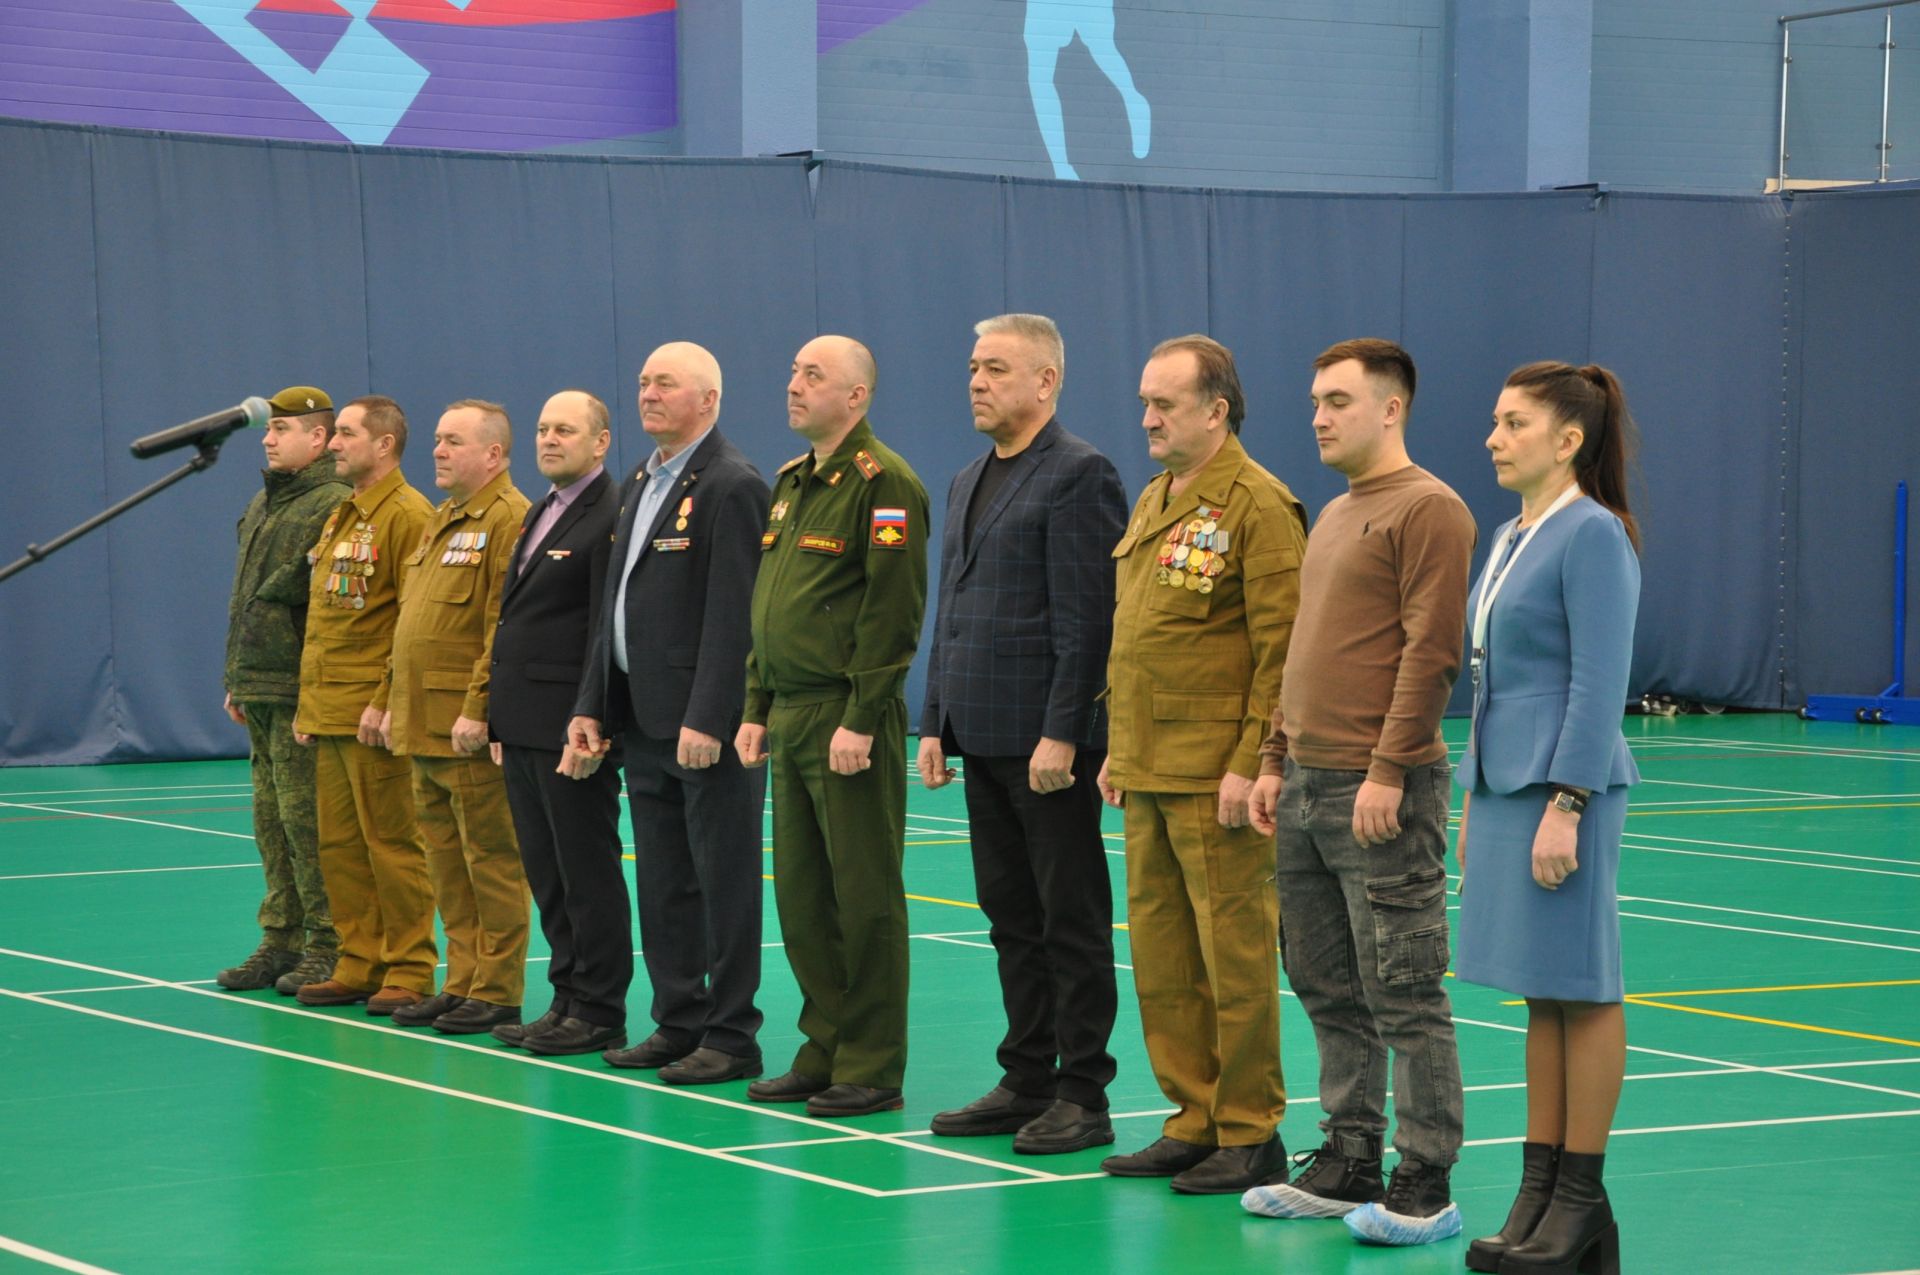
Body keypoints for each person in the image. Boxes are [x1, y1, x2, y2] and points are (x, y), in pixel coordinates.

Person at [1240, 340, 1477, 1245]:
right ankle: (1348, 1156)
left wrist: (1389, 766)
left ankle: (1427, 1175)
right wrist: (1273, 758)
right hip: (1304, 785)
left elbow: (1431, 652)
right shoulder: (1337, 513)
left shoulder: (1431, 510)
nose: (1318, 416)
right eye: (1313, 400)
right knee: (1323, 980)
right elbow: (1302, 650)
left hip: (1382, 791)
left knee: (1404, 989)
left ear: (1392, 409)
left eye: (1337, 399)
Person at [1096, 335, 1308, 1193]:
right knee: (1162, 958)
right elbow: (1143, 634)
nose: (1148, 417)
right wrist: (1118, 744)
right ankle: (1193, 1116)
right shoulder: (1156, 497)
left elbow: (1280, 649)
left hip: (1214, 776)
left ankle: (1251, 1128)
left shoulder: (1257, 504)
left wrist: (1255, 760)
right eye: (1145, 401)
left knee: (1235, 962)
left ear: (1217, 410)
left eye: (1166, 403)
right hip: (1147, 765)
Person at [918, 314, 1127, 1154]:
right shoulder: (971, 476)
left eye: (996, 368)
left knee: (1066, 915)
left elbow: (1088, 618)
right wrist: (933, 720)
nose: (976, 381)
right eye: (973, 366)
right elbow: (954, 608)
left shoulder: (1081, 474)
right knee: (1009, 913)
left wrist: (1066, 732)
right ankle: (1026, 1074)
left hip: (1045, 745)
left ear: (1046, 381)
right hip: (980, 731)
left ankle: (1084, 1090)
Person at [1455, 362, 1640, 1275]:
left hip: (1565, 790)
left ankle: (1581, 1198)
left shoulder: (1594, 535)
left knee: (1584, 984)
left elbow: (1601, 681)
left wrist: (1567, 802)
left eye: (1513, 421)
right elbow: (1492, 677)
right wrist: (1475, 786)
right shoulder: (1507, 535)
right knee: (1541, 988)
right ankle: (1538, 1188)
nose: (1494, 436)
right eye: (1496, 419)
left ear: (1568, 439)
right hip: (1507, 786)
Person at [734, 335, 929, 1118]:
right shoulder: (791, 485)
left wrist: (862, 714)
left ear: (856, 396)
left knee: (864, 895)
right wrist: (754, 705)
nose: (793, 384)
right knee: (805, 898)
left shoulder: (885, 486)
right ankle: (824, 1047)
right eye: (791, 371)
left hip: (848, 717)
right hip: (789, 710)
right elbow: (770, 604)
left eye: (812, 375)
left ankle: (872, 1063)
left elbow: (894, 610)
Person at [572, 344, 772, 1083]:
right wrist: (595, 703)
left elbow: (736, 614)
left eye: (665, 383)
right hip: (642, 718)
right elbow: (612, 606)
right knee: (662, 881)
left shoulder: (732, 483)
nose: (647, 394)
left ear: (709, 399)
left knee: (723, 880)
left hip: (700, 727)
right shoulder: (639, 480)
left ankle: (731, 1033)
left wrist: (712, 714)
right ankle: (678, 1019)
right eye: (643, 382)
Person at [382, 399, 532, 1035]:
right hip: (422, 721)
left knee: (491, 859)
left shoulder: (510, 519)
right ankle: (464, 979)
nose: (438, 451)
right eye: (438, 440)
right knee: (446, 862)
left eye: (453, 441)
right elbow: (412, 620)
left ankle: (497, 989)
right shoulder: (443, 518)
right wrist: (391, 703)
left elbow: (503, 625)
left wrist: (480, 708)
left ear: (493, 454)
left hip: (464, 726)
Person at [487, 389, 630, 1056]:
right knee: (547, 873)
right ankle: (566, 996)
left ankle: (600, 1006)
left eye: (565, 430)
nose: (549, 439)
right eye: (543, 428)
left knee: (585, 870)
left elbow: (603, 625)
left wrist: (592, 714)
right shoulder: (542, 508)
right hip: (523, 721)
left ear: (600, 442)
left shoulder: (610, 512)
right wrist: (497, 716)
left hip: (570, 725)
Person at [291, 395, 438, 1014]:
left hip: (373, 716)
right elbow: (329, 620)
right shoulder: (344, 514)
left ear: (384, 444)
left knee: (394, 844)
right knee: (341, 847)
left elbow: (410, 622)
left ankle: (409, 965)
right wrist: (307, 705)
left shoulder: (407, 514)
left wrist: (385, 701)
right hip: (329, 709)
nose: (333, 444)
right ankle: (360, 959)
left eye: (346, 434)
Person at [216, 386, 349, 995]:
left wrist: (317, 691)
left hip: (303, 689)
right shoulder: (264, 504)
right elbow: (245, 599)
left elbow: (327, 610)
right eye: (268, 431)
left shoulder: (336, 504)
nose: (267, 439)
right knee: (271, 821)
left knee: (308, 822)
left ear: (318, 438)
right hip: (261, 684)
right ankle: (280, 938)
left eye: (281, 430)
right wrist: (235, 680)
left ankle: (328, 942)